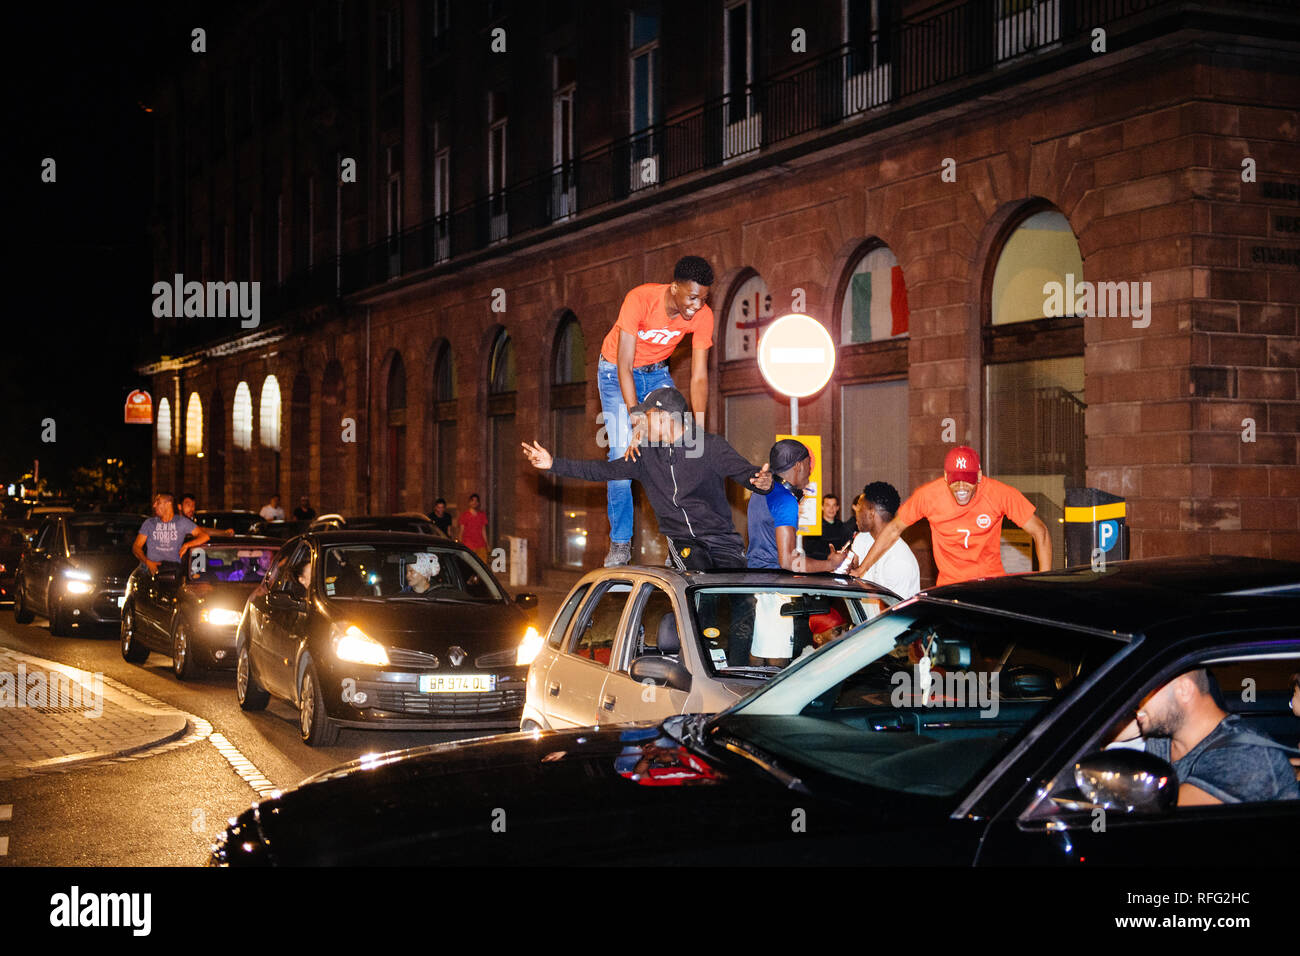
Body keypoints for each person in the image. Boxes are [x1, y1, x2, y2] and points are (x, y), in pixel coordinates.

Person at [522, 387, 773, 570]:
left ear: (664, 418)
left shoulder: (710, 447)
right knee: (698, 582)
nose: (641, 422)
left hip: (722, 540)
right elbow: (602, 470)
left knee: (739, 604)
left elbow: (746, 473)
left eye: (647, 416)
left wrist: (761, 482)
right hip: (684, 542)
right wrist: (553, 463)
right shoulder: (645, 457)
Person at [597, 255, 716, 567]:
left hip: (657, 373)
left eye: (703, 299)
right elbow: (624, 365)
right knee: (624, 455)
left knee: (677, 450)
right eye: (692, 297)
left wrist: (697, 428)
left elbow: (699, 377)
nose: (697, 306)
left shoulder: (703, 316)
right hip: (615, 372)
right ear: (674, 287)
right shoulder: (640, 299)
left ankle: (678, 541)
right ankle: (621, 542)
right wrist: (637, 417)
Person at [851, 446, 1052, 587]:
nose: (962, 487)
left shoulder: (999, 494)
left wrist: (1046, 583)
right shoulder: (929, 496)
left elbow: (1040, 532)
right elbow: (894, 529)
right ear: (946, 477)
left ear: (979, 476)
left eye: (968, 481)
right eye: (956, 481)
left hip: (989, 586)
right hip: (950, 588)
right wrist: (862, 569)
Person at [1111, 669, 1299, 804]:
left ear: (1184, 690)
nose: (1136, 701)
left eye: (1146, 691)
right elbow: (1100, 730)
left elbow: (1156, 809)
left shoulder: (1246, 755)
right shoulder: (1163, 733)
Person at [795, 482, 921, 599]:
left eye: (860, 508)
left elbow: (893, 615)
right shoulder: (862, 538)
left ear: (871, 513)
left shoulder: (899, 561)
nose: (855, 512)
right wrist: (841, 567)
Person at [746, 439, 812, 571]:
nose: (810, 471)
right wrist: (830, 564)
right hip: (775, 583)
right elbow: (787, 562)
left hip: (754, 576)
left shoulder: (759, 493)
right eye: (808, 464)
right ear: (798, 466)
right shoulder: (786, 500)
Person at [132, 493, 209, 576]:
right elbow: (136, 547)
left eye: (158, 503)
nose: (154, 506)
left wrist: (187, 545)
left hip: (172, 570)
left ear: (168, 504)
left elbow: (204, 536)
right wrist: (147, 562)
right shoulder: (149, 523)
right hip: (149, 570)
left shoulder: (182, 522)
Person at [802, 493, 852, 561]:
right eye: (828, 505)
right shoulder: (814, 527)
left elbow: (847, 547)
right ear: (822, 507)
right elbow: (809, 552)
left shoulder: (843, 527)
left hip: (838, 565)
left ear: (838, 508)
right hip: (819, 565)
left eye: (834, 505)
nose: (831, 509)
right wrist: (827, 557)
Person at [458, 494, 490, 562]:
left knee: (483, 565)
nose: (474, 502)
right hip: (468, 546)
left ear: (478, 503)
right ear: (469, 503)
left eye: (476, 501)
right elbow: (461, 531)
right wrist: (460, 545)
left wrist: (487, 544)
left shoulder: (482, 515)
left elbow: (483, 530)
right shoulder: (464, 515)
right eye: (472, 501)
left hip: (481, 545)